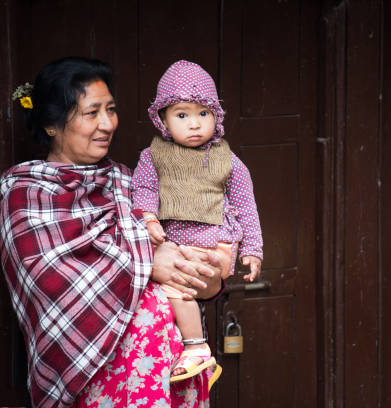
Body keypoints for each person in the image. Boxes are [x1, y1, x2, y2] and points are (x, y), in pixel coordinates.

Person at [0, 57, 223, 408]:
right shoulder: (29, 194)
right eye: (92, 113)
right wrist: (149, 260)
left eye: (111, 109)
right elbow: (53, 279)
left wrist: (202, 271)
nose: (107, 124)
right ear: (51, 125)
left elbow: (180, 249)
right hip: (101, 383)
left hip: (170, 375)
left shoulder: (127, 181)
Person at [131, 60, 263, 382]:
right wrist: (149, 218)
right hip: (176, 239)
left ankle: (195, 348)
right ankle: (197, 348)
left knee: (179, 282)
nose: (194, 124)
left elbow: (246, 204)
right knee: (177, 286)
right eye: (182, 114)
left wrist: (253, 249)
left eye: (203, 114)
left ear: (216, 116)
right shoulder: (152, 156)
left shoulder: (226, 158)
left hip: (216, 238)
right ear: (162, 119)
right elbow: (143, 188)